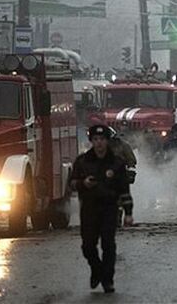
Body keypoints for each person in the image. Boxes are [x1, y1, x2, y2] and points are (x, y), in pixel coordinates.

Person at [70, 125, 134, 293]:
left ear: (107, 141)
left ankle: (108, 280)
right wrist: (83, 183)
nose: (99, 143)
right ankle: (96, 269)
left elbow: (124, 190)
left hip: (109, 208)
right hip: (89, 209)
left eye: (102, 140)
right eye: (96, 140)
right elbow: (71, 184)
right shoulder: (82, 161)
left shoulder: (116, 163)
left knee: (108, 246)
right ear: (91, 141)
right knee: (88, 246)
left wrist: (128, 213)